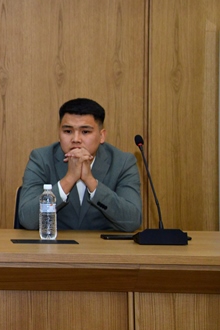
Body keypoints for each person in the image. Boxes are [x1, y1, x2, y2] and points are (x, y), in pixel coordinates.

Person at [18, 98, 142, 231]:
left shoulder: (123, 162)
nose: (76, 139)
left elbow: (133, 220)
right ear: (59, 133)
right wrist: (69, 179)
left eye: (85, 132)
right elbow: (27, 219)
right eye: (68, 131)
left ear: (102, 136)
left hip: (102, 243)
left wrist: (91, 181)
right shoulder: (41, 159)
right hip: (56, 242)